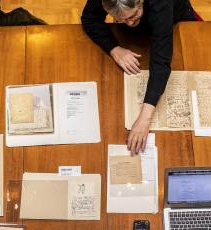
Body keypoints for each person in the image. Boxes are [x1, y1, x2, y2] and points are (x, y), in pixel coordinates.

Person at [81, 0, 197, 155]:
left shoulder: (161, 3)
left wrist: (144, 119)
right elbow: (89, 19)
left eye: (133, 15)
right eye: (122, 19)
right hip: (135, 37)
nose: (129, 23)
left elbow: (161, 62)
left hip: (174, 21)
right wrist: (114, 48)